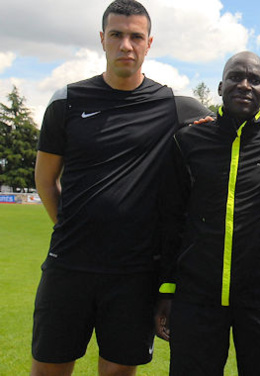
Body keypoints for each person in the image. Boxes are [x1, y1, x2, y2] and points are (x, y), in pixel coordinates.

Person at [32, 1, 212, 375]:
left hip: (133, 274)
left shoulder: (174, 106)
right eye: (116, 35)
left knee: (117, 371)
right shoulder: (66, 102)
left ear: (149, 43)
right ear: (102, 39)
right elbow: (45, 179)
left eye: (135, 37)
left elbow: (229, 135)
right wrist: (67, 225)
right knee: (48, 368)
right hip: (68, 267)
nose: (126, 45)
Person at [154, 51, 260, 375]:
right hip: (196, 297)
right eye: (236, 77)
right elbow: (170, 219)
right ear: (220, 86)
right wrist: (166, 289)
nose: (245, 85)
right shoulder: (188, 141)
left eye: (255, 80)